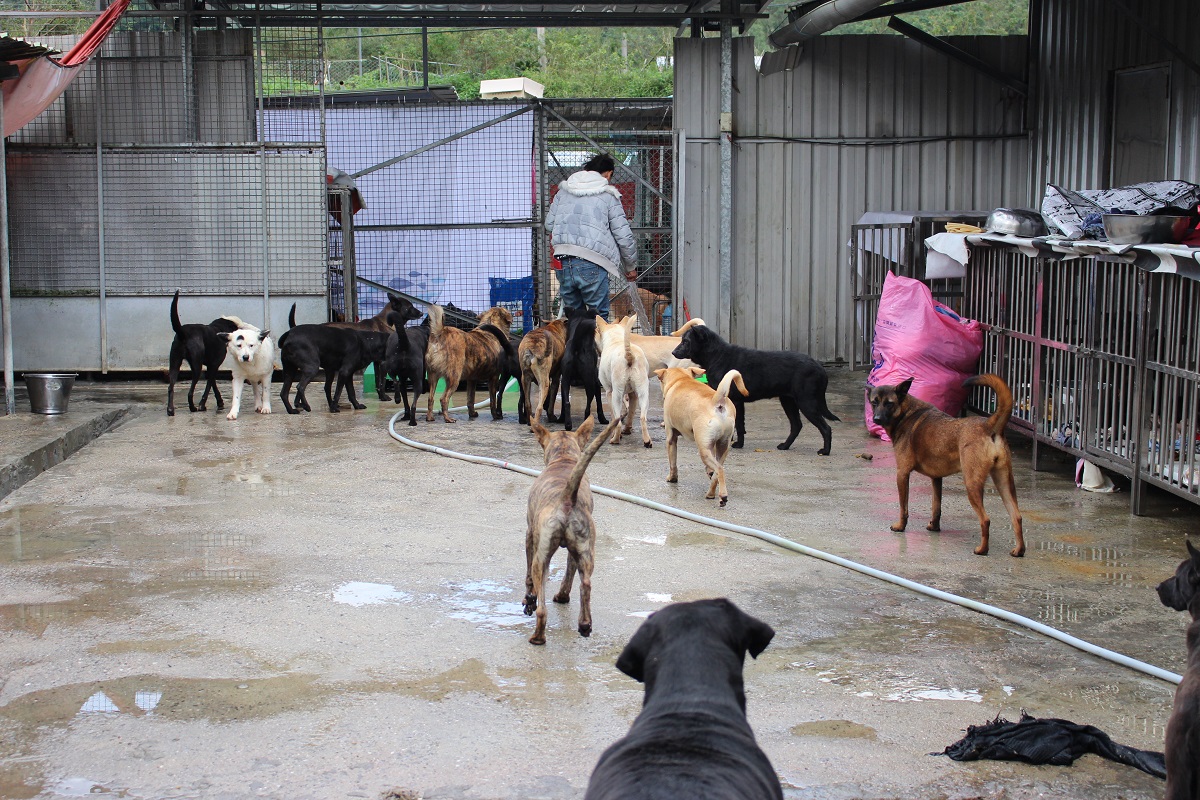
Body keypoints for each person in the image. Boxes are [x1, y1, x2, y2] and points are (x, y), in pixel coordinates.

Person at [545, 153, 638, 321]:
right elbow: (623, 234)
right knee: (598, 320)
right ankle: (597, 348)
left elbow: (549, 224)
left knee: (574, 319)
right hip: (592, 262)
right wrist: (630, 266)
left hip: (563, 262)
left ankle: (575, 347)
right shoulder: (608, 195)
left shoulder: (563, 192)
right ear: (608, 173)